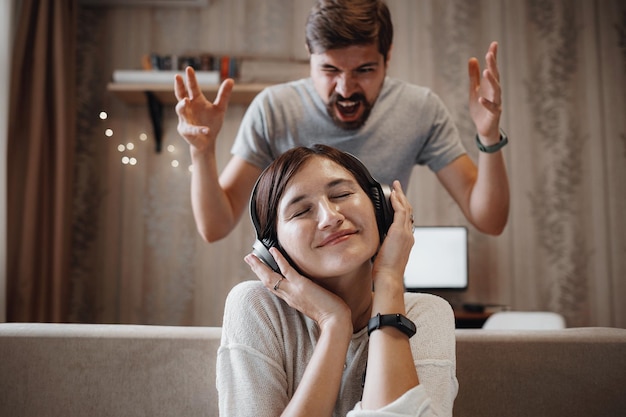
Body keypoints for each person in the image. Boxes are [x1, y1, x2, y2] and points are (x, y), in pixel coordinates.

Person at [175, 0, 509, 243]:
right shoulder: (274, 109)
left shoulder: (420, 108)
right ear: (310, 55)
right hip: (290, 294)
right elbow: (215, 228)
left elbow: (489, 220)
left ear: (387, 57)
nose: (346, 89)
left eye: (364, 70)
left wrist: (488, 136)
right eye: (331, 71)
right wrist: (202, 152)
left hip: (379, 292)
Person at [217, 144, 457, 416]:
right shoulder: (257, 307)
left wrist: (390, 278)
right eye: (300, 211)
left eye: (342, 194)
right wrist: (334, 323)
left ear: (381, 210)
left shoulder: (426, 313)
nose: (330, 217)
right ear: (273, 248)